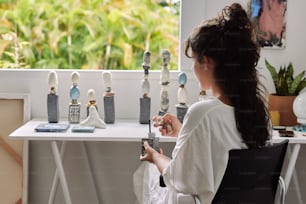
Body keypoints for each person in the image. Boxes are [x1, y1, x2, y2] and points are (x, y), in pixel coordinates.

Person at [137, 3, 270, 204]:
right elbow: (221, 156)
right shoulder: (256, 111)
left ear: (206, 62)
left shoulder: (202, 113)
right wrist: (185, 132)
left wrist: (154, 156)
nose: (193, 68)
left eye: (194, 61)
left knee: (148, 178)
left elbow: (178, 178)